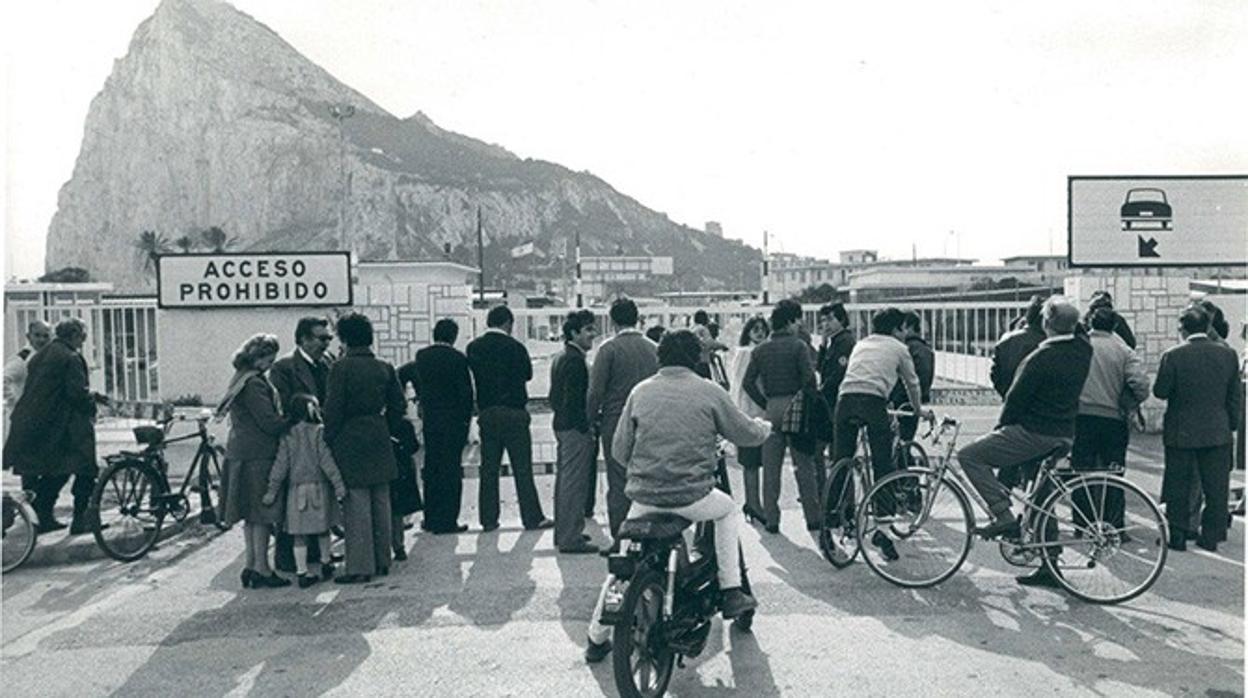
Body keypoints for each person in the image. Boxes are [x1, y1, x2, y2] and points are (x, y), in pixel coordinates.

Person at [585, 330, 772, 661]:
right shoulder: (709, 391)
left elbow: (619, 450)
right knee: (727, 510)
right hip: (692, 496)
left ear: (660, 358)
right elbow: (745, 433)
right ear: (696, 358)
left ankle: (596, 637)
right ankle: (730, 590)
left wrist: (648, 470)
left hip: (644, 497)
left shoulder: (640, 392)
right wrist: (764, 426)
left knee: (623, 565)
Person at [959, 297, 1092, 588]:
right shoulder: (1083, 349)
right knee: (1043, 499)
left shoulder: (1039, 358)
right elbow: (1078, 329)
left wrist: (1000, 429)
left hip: (1033, 432)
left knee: (969, 455)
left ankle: (1003, 514)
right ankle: (1050, 565)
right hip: (1064, 432)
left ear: (1046, 323)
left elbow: (1014, 400)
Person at [832, 307, 927, 557]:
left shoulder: (861, 344)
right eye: (904, 329)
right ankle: (882, 530)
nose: (905, 333)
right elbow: (912, 383)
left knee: (841, 459)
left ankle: (832, 516)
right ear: (898, 329)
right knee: (882, 464)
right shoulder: (899, 348)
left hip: (845, 400)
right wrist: (917, 410)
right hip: (873, 402)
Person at [323, 312, 408, 583]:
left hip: (350, 436)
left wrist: (330, 437)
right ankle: (383, 560)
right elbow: (399, 406)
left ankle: (360, 567)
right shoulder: (385, 367)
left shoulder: (340, 368)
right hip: (379, 433)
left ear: (345, 338)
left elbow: (333, 408)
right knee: (381, 499)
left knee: (356, 503)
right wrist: (388, 427)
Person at [3, 318, 108, 534]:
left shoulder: (41, 355)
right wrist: (93, 403)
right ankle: (81, 519)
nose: (85, 339)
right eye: (83, 335)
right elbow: (76, 393)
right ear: (75, 335)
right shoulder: (70, 357)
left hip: (37, 423)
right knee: (85, 467)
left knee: (56, 470)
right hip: (63, 423)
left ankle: (42, 516)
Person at [1154, 305, 1242, 552]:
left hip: (1181, 430)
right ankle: (1212, 536)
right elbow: (1235, 396)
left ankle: (1178, 534)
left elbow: (1160, 391)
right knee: (1216, 487)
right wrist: (1231, 424)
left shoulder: (1173, 355)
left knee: (1178, 484)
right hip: (1217, 428)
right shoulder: (1228, 354)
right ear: (1207, 327)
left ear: (1182, 329)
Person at [466, 305, 553, 532]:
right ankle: (532, 517)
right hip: (514, 413)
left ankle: (488, 519)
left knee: (489, 468)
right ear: (508, 323)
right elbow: (527, 374)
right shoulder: (516, 347)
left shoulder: (474, 348)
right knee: (522, 468)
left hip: (488, 413)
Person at [742, 299, 821, 533]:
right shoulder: (798, 347)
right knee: (803, 465)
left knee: (770, 467)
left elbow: (748, 383)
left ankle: (772, 519)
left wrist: (765, 402)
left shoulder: (760, 350)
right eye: (798, 320)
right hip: (795, 405)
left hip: (771, 409)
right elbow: (810, 380)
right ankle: (813, 518)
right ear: (789, 321)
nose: (800, 324)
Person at [218, 333, 290, 588]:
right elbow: (269, 422)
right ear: (258, 357)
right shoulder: (255, 384)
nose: (270, 364)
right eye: (268, 359)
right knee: (262, 514)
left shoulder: (240, 378)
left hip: (240, 452)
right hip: (258, 455)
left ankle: (251, 564)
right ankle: (262, 568)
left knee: (250, 516)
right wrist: (291, 418)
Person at [1071, 307, 1151, 530]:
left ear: (1090, 323)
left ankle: (1082, 523)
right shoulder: (1123, 350)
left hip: (1082, 418)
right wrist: (1131, 400)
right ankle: (1113, 524)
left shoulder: (1079, 346)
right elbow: (1141, 385)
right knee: (1114, 473)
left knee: (1081, 473)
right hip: (1113, 420)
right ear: (1114, 326)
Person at [587, 297, 660, 538]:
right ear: (637, 318)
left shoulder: (608, 349)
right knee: (648, 478)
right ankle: (649, 531)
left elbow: (596, 391)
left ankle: (621, 537)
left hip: (616, 421)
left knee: (618, 481)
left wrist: (590, 420)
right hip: (650, 420)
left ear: (612, 320)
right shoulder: (654, 348)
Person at [268, 317, 334, 575]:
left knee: (320, 502)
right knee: (294, 506)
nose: (326, 343)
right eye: (321, 338)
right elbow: (283, 405)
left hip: (322, 440)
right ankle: (288, 558)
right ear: (304, 339)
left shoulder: (328, 364)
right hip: (298, 444)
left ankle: (319, 554)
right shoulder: (284, 368)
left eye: (328, 338)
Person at [263, 394, 346, 588]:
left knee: (299, 535)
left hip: (295, 491)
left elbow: (280, 464)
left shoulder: (288, 434)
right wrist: (339, 485)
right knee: (323, 529)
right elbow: (327, 461)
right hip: (320, 488)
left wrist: (271, 490)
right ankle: (326, 563)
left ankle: (302, 572)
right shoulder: (318, 431)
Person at [399, 318, 474, 534]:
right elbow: (466, 394)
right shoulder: (458, 358)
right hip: (453, 422)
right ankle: (448, 520)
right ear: (454, 336)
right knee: (451, 470)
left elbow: (403, 373)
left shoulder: (422, 356)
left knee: (432, 468)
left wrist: (413, 397)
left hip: (431, 420)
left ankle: (430, 518)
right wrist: (466, 422)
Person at [550, 309, 600, 553]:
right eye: (588, 329)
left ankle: (565, 532)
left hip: (563, 426)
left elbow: (555, 398)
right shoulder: (575, 361)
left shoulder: (562, 357)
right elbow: (574, 400)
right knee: (574, 483)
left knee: (565, 481)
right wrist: (585, 426)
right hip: (575, 429)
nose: (593, 334)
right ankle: (570, 537)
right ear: (573, 332)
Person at [729, 316, 770, 523]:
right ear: (748, 332)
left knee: (750, 463)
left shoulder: (739, 352)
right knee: (754, 463)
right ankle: (755, 504)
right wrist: (765, 404)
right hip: (754, 412)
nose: (760, 332)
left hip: (744, 411)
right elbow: (748, 384)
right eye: (755, 329)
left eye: (762, 329)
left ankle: (751, 503)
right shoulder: (750, 352)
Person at [889, 311, 935, 453]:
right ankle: (908, 473)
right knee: (904, 445)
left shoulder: (905, 348)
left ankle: (907, 474)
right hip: (911, 402)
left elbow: (914, 379)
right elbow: (925, 378)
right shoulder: (925, 349)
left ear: (908, 326)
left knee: (898, 447)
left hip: (901, 402)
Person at [990, 295, 1046, 398]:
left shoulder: (1006, 340)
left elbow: (995, 374)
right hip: (1042, 406)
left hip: (1011, 403)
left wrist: (1006, 395)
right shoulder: (1049, 343)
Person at [3, 320, 52, 409]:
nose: (42, 340)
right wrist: (14, 403)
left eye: (46, 336)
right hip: (27, 415)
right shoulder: (23, 358)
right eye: (37, 335)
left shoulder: (49, 356)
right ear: (29, 337)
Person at [691, 309, 729, 380]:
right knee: (706, 383)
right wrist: (722, 346)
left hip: (693, 362)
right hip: (703, 362)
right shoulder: (703, 329)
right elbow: (709, 343)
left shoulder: (692, 329)